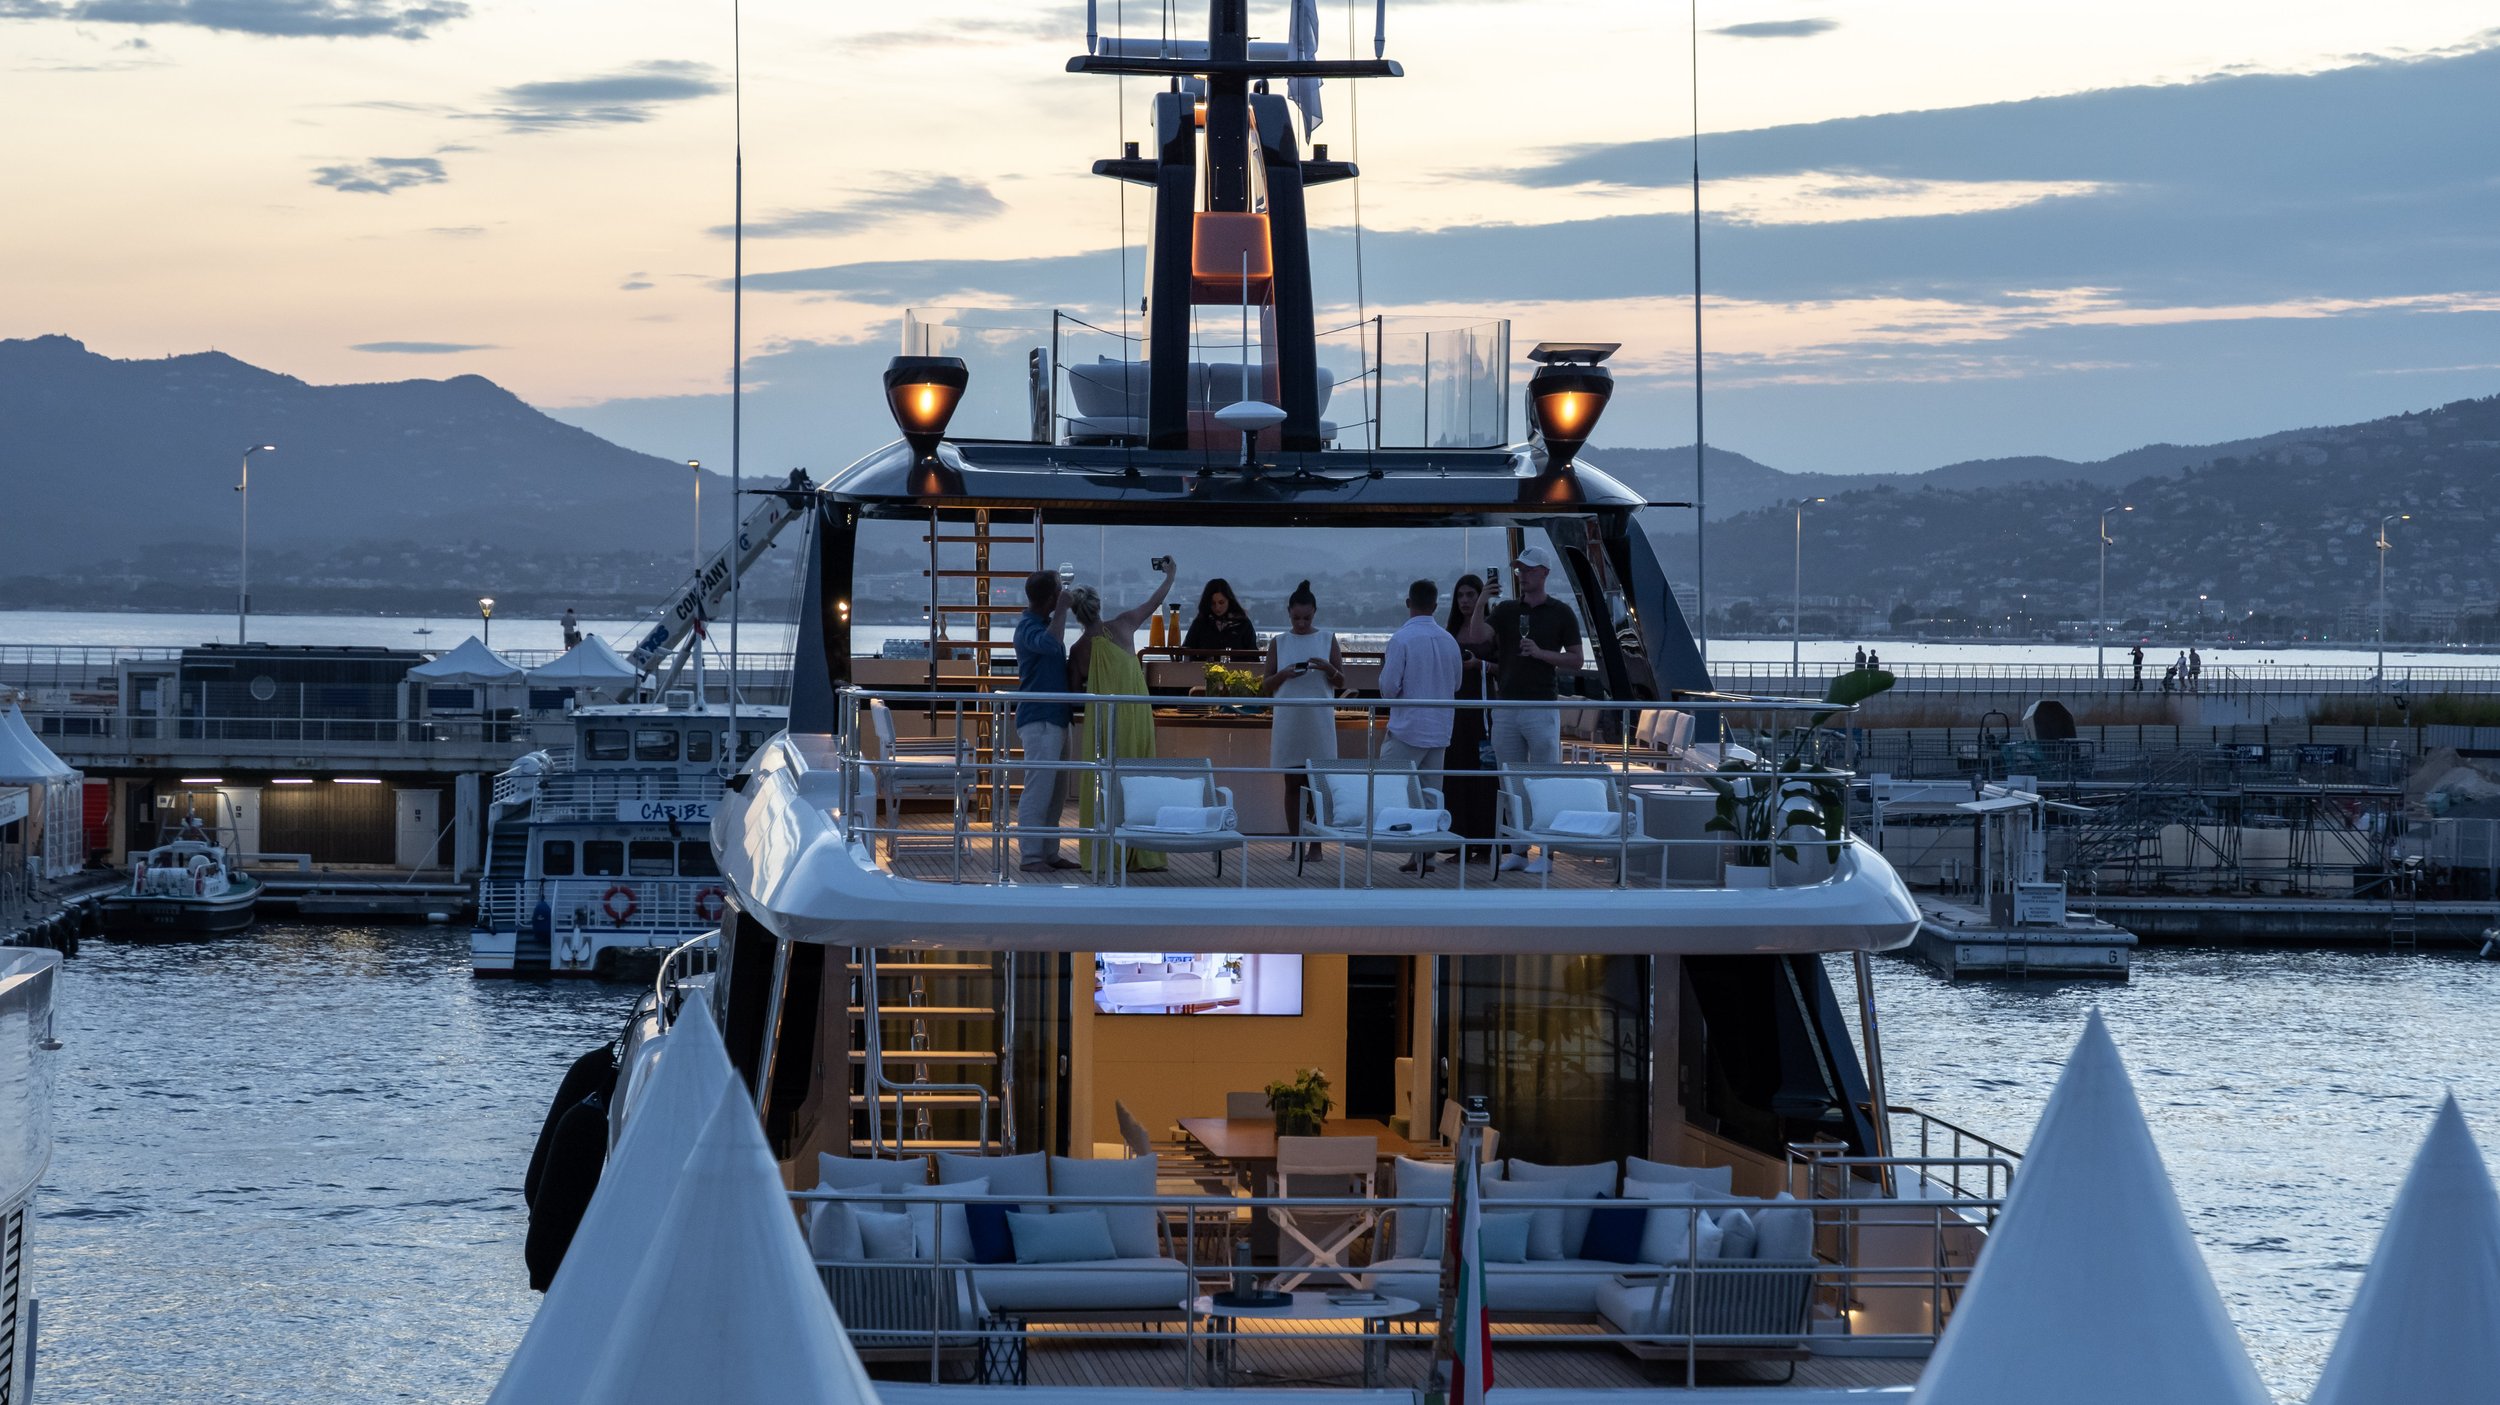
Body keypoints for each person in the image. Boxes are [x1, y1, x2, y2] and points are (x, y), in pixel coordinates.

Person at [1069, 559, 1179, 872]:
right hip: (1136, 714)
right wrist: (1171, 574)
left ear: (1076, 615)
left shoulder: (1078, 651)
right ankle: (1141, 851)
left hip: (1103, 722)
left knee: (1104, 781)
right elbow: (1155, 600)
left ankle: (1106, 849)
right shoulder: (1122, 625)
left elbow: (1073, 695)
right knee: (1138, 778)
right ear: (1099, 606)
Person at [1488, 546, 1583, 875]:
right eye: (1519, 570)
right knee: (1510, 779)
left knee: (1545, 780)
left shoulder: (1561, 613)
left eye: (1528, 570)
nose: (1522, 575)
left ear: (1544, 572)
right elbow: (1473, 636)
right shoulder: (1505, 611)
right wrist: (1483, 600)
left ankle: (1547, 852)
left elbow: (1576, 659)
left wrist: (1542, 654)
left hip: (1541, 704)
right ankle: (1517, 849)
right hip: (1507, 705)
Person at [1378, 579, 1462, 872]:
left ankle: (1407, 849)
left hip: (1407, 729)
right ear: (1436, 606)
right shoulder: (1449, 640)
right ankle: (1424, 854)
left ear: (1408, 603)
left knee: (1391, 789)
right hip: (1439, 730)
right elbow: (1457, 683)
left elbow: (1388, 688)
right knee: (1431, 796)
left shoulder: (1401, 640)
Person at [1264, 579, 1345, 859]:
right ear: (1288, 613)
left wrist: (1328, 668)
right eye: (1296, 618)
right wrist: (1284, 674)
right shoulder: (1279, 642)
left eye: (1306, 618)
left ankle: (1317, 846)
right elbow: (1265, 684)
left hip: (1318, 719)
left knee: (1317, 785)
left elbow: (1341, 680)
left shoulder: (1327, 638)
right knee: (1293, 783)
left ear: (1314, 614)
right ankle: (1296, 843)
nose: (1301, 623)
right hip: (1289, 718)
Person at [1013, 570, 1080, 873]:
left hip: (1056, 717)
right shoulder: (1028, 627)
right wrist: (1064, 610)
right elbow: (1052, 644)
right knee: (1038, 789)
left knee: (1055, 793)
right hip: (1039, 719)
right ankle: (1030, 856)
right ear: (1051, 597)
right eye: (1058, 592)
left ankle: (1049, 852)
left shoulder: (1040, 624)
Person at [1441, 572, 1499, 860]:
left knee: (1485, 777)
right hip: (1455, 713)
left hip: (1484, 712)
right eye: (1460, 596)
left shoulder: (1490, 630)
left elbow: (1505, 666)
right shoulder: (1449, 632)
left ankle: (1487, 843)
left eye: (1470, 595)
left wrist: (1481, 665)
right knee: (1456, 776)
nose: (1464, 601)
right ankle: (1458, 842)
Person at [1181, 577, 1259, 661]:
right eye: (1213, 603)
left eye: (1221, 602)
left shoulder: (1243, 624)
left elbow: (1253, 656)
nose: (1217, 607)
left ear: (1229, 600)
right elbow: (1187, 651)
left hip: (1237, 672)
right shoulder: (1200, 623)